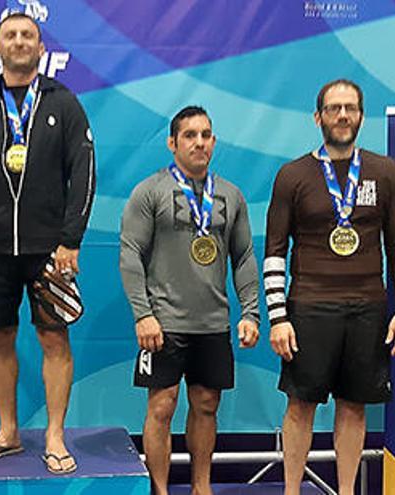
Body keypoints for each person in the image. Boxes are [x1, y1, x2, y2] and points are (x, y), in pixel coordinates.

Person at [0, 12, 95, 475]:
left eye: (26, 35)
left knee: (54, 337)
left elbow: (84, 173)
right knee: (0, 335)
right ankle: (8, 432)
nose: (18, 42)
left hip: (50, 247)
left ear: (39, 45)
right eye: (10, 35)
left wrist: (71, 240)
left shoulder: (65, 103)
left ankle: (54, 435)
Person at [263, 79, 395, 495]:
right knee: (300, 406)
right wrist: (278, 318)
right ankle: (291, 491)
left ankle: (346, 492)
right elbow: (275, 251)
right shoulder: (292, 175)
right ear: (318, 117)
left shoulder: (385, 171)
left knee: (354, 406)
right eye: (333, 108)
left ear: (362, 116)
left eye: (350, 108)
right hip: (308, 308)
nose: (343, 116)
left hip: (368, 308)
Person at [120, 106, 260, 495]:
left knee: (206, 406)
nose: (199, 142)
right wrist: (142, 315)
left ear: (213, 141)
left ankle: (202, 488)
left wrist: (251, 312)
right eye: (190, 135)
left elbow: (245, 257)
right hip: (162, 324)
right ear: (173, 142)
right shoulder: (150, 191)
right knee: (161, 407)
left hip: (212, 323)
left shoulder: (231, 196)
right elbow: (130, 253)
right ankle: (160, 491)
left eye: (206, 135)